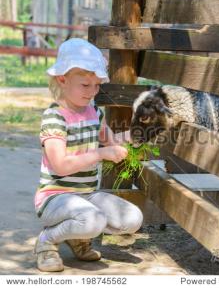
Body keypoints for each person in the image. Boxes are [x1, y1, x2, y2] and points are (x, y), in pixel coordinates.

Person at [34, 38, 143, 272]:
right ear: (62, 80)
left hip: (87, 196)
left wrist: (136, 136)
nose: (93, 92)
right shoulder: (55, 117)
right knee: (93, 220)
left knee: (133, 219)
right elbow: (61, 165)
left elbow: (112, 141)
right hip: (55, 197)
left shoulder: (94, 112)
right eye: (86, 85)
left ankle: (78, 236)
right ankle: (47, 240)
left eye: (97, 85)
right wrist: (101, 153)